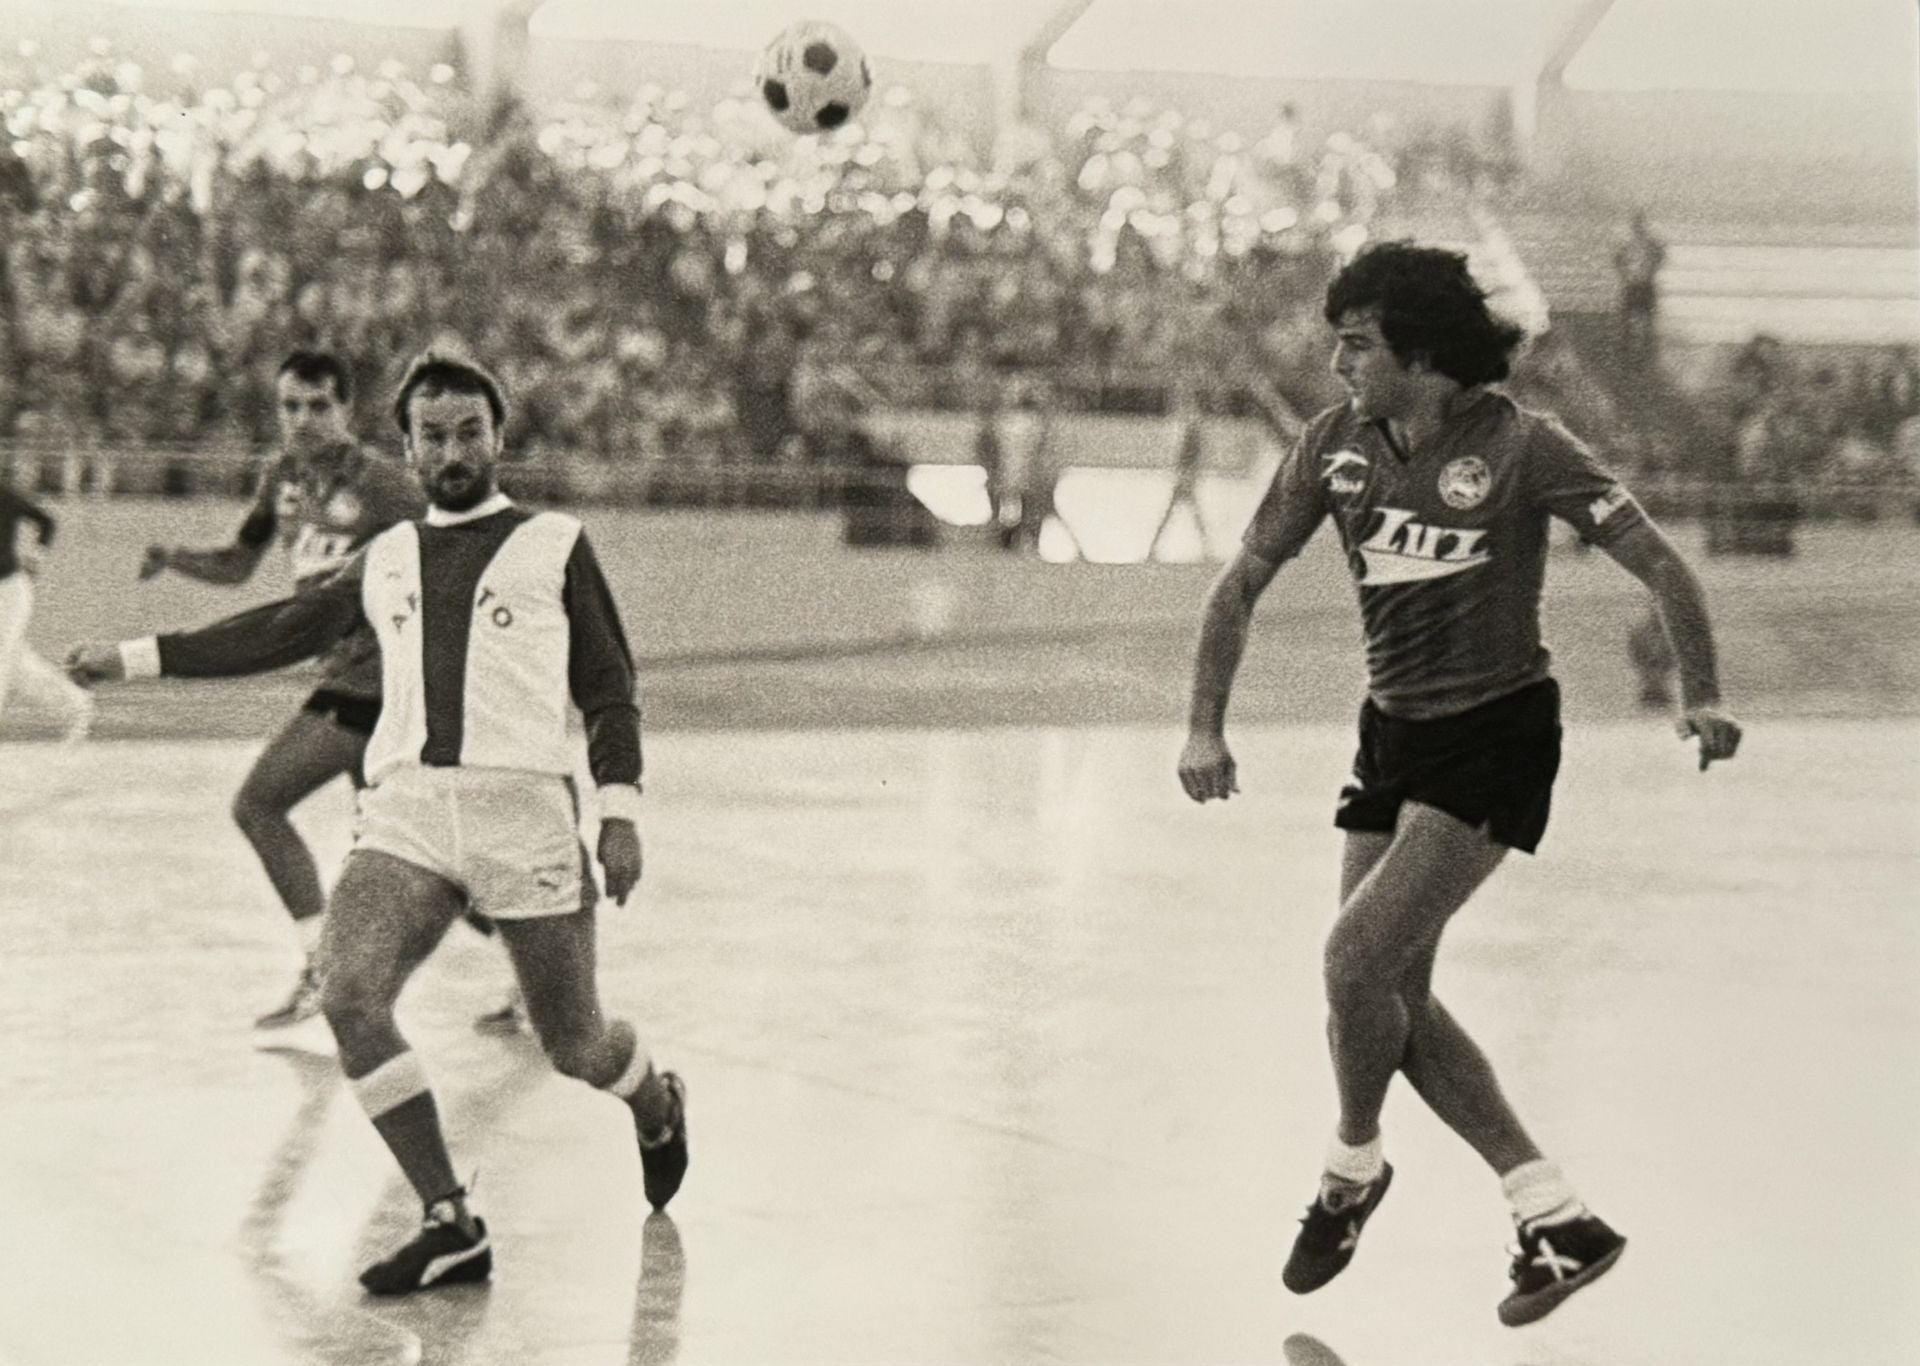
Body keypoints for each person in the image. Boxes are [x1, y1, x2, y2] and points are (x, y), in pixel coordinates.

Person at [1177, 243, 1741, 1327]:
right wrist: (1204, 723)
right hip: (1392, 733)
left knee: (1351, 958)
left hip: (1495, 735)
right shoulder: (1331, 449)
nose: (1337, 362)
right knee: (1386, 992)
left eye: (1358, 344)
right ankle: (1553, 1210)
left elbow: (1665, 564)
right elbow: (1238, 583)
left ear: (1422, 356)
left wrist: (1700, 694)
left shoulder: (1526, 447)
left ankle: (1350, 1167)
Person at [69, 350, 688, 1294]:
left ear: (498, 437)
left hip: (522, 812)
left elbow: (610, 689)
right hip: (406, 814)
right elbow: (277, 628)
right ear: (408, 443)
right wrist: (131, 656)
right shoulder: (388, 556)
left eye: (468, 431)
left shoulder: (555, 541)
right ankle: (450, 1217)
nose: (451, 449)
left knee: (576, 1046)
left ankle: (654, 1099)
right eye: (432, 434)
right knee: (349, 996)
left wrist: (620, 813)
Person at [137, 350, 522, 1035]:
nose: (304, 420)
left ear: (345, 409)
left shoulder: (382, 484)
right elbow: (238, 563)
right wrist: (174, 558)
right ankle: (534, 969)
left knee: (258, 803)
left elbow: (458, 540)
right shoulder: (282, 477)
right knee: (424, 852)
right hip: (344, 675)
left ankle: (321, 965)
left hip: (379, 681)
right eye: (290, 406)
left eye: (318, 405)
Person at [0, 474, 94, 742]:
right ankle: (75, 705)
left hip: (8, 590)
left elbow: (46, 521)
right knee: (16, 662)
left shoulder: (3, 494)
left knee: (2, 654)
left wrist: (37, 555)